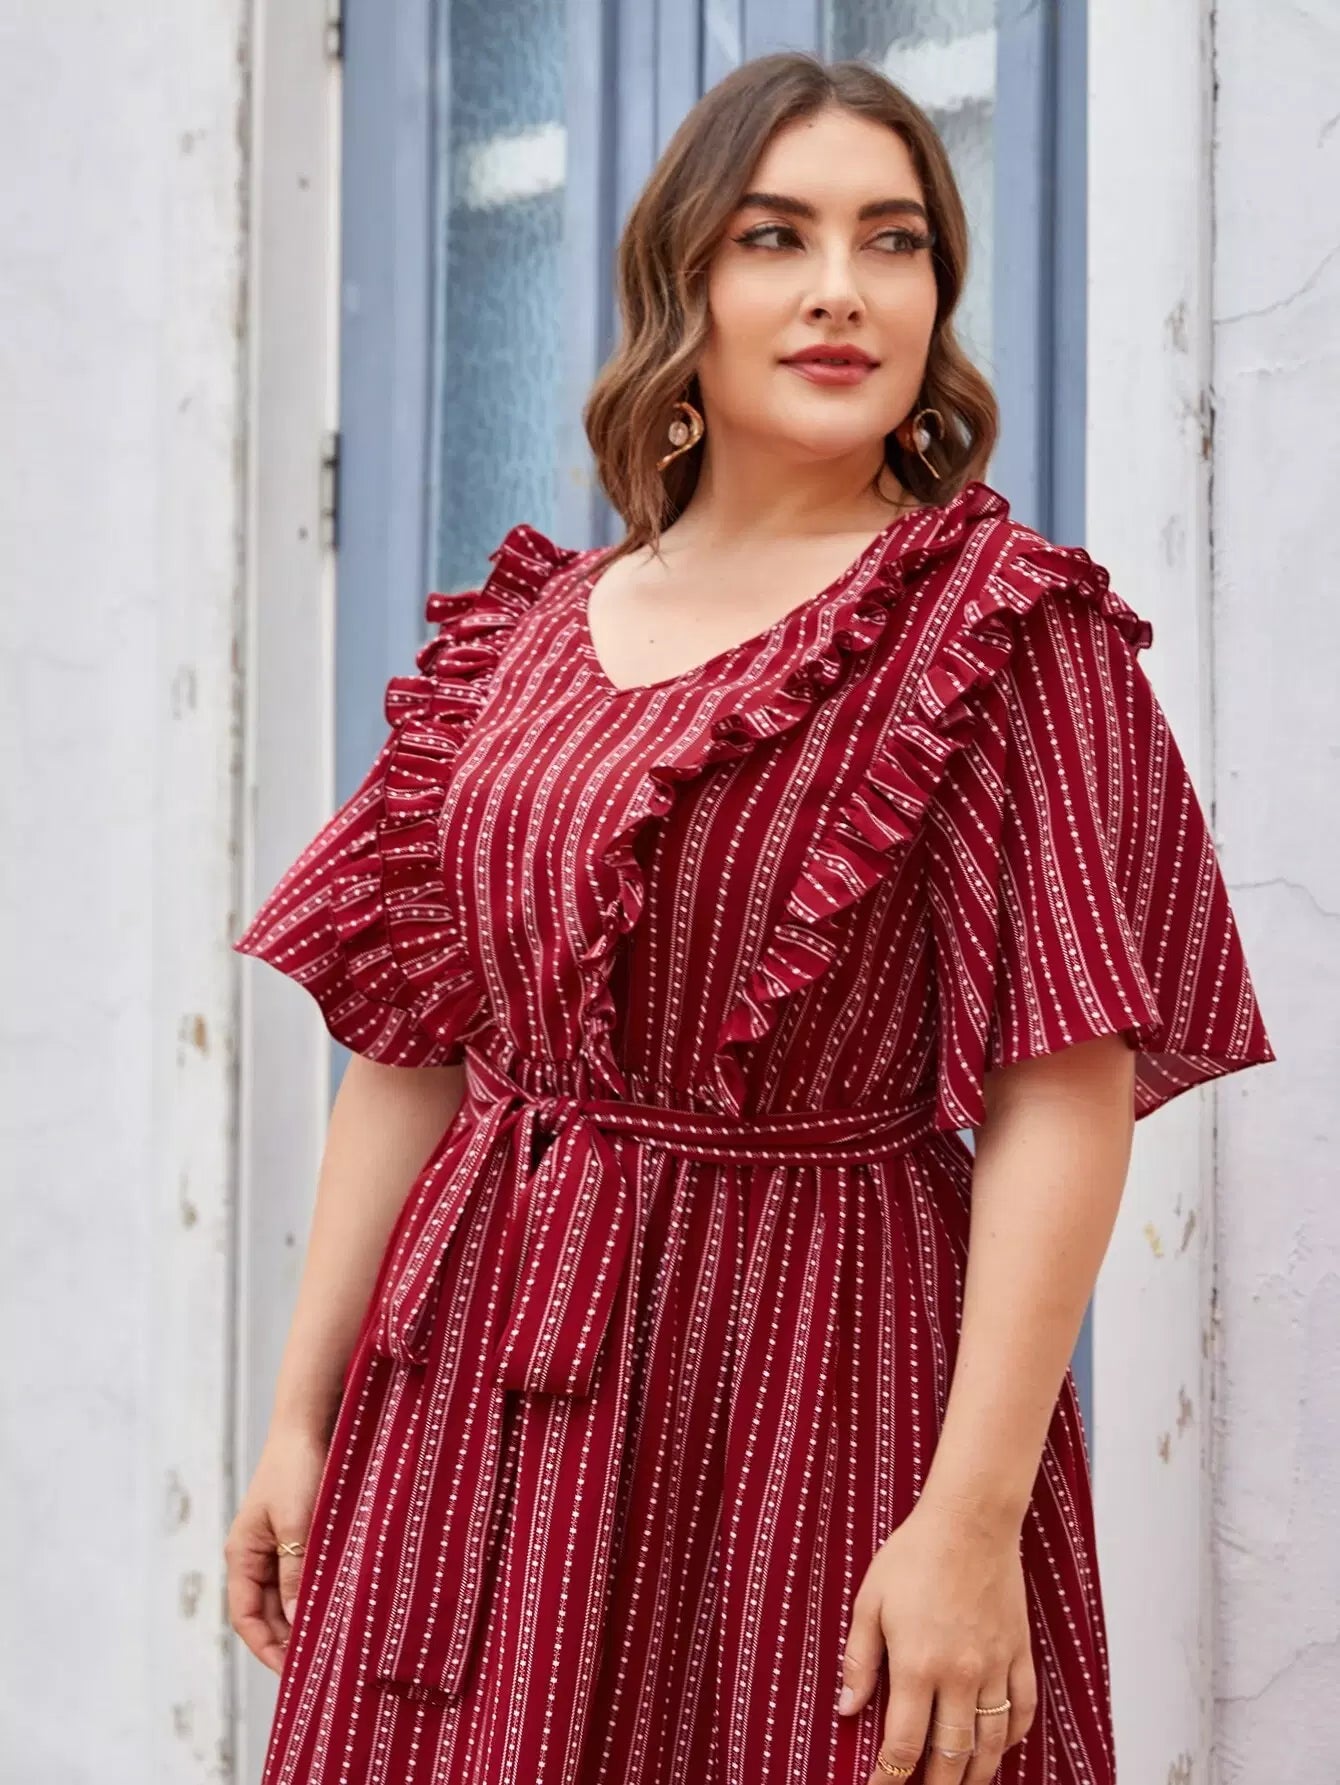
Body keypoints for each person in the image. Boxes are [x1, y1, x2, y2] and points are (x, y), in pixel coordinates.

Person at [225, 51, 1275, 1785]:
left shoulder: (1005, 633)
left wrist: (972, 1512)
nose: (843, 289)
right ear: (685, 288)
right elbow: (411, 1051)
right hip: (468, 1392)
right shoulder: (520, 639)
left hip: (816, 1376)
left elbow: (1064, 1092)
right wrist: (299, 1410)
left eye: (896, 240)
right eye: (777, 237)